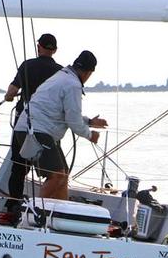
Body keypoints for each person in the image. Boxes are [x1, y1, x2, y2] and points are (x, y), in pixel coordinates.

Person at [18, 50, 107, 200]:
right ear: (88, 73)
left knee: (63, 174)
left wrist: (90, 122)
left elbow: (66, 114)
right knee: (57, 175)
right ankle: (36, 214)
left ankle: (62, 214)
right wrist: (91, 134)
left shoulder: (63, 76)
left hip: (33, 128)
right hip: (35, 130)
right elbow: (73, 122)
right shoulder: (73, 85)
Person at [0, 33, 60, 208]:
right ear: (54, 50)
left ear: (38, 46)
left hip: (23, 122)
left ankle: (14, 205)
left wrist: (9, 97)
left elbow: (12, 91)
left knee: (18, 166)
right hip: (47, 126)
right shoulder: (60, 71)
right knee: (51, 170)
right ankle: (45, 207)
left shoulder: (28, 65)